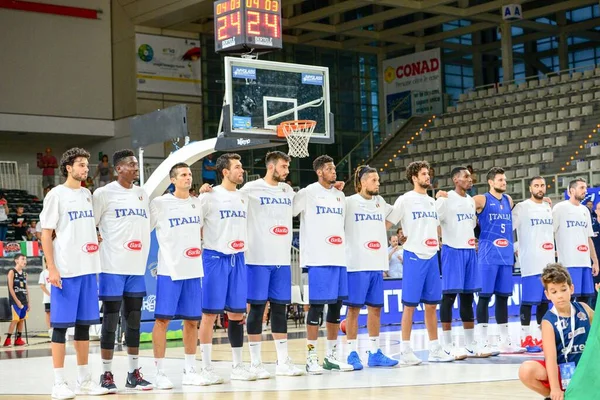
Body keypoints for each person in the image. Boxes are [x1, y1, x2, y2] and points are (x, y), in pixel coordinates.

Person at [39, 147, 108, 398]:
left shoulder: (88, 194)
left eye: (86, 165)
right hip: (65, 271)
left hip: (88, 269)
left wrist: (94, 238)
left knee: (83, 327)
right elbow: (46, 233)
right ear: (68, 167)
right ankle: (59, 382)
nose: (85, 169)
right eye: (80, 165)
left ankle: (84, 379)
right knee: (59, 327)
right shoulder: (56, 195)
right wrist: (52, 268)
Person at [240, 151, 304, 377]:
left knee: (279, 309)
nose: (287, 171)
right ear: (271, 167)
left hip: (282, 261)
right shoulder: (250, 189)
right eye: (284, 167)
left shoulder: (288, 190)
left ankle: (282, 361)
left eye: (287, 167)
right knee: (256, 310)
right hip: (257, 259)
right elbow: (229, 201)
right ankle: (255, 362)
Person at [93, 149, 153, 392]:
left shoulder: (142, 194)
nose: (136, 168)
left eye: (136, 164)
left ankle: (133, 373)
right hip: (112, 268)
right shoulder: (103, 194)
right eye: (131, 164)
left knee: (134, 322)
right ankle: (106, 375)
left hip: (136, 269)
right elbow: (91, 224)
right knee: (109, 322)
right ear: (118, 169)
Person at [387, 160, 454, 365]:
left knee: (432, 305)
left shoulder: (432, 202)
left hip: (432, 255)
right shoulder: (405, 200)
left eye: (428, 173)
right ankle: (405, 350)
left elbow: (435, 227)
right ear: (414, 178)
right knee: (409, 306)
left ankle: (435, 348)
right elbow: (388, 222)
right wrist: (393, 240)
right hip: (414, 255)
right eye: (423, 174)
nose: (427, 177)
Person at [198, 153, 256, 382]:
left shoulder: (244, 197)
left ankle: (238, 365)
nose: (242, 171)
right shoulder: (209, 197)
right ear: (225, 172)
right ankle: (205, 367)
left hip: (238, 258)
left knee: (236, 314)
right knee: (209, 314)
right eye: (238, 167)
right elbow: (196, 225)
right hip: (215, 258)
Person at [292, 155, 353, 374]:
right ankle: (311, 357)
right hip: (317, 260)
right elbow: (288, 211)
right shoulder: (307, 193)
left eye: (334, 167)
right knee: (316, 308)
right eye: (329, 168)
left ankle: (331, 356)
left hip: (338, 259)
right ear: (319, 172)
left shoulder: (340, 195)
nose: (333, 171)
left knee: (336, 308)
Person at [150, 162, 206, 388]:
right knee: (162, 320)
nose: (187, 178)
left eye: (190, 174)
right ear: (172, 180)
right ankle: (159, 372)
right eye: (183, 174)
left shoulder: (197, 204)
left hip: (193, 271)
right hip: (169, 271)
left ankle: (190, 369)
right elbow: (144, 228)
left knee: (192, 321)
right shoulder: (160, 204)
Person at [343, 165, 399, 370]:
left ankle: (375, 352)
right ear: (362, 182)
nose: (378, 183)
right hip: (356, 264)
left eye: (378, 180)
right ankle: (351, 353)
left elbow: (396, 214)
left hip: (377, 263)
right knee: (354, 309)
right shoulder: (348, 202)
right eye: (374, 180)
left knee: (375, 309)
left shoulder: (380, 202)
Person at [518, 263, 594, 399]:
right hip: (564, 371)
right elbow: (551, 359)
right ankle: (556, 396)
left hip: (587, 369)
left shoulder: (584, 309)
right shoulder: (548, 322)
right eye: (554, 292)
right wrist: (555, 389)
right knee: (526, 370)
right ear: (547, 294)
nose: (560, 296)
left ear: (571, 289)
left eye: (563, 289)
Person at [436, 166, 489, 359]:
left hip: (469, 252)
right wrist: (441, 238)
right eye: (465, 177)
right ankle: (447, 344)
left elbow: (471, 225)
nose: (470, 179)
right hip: (452, 251)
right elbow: (435, 220)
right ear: (456, 180)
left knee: (467, 298)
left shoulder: (469, 201)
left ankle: (469, 344)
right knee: (449, 297)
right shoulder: (445, 198)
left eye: (470, 176)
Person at [473, 167, 523, 353]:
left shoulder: (509, 200)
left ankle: (505, 341)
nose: (504, 182)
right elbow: (462, 211)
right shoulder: (481, 199)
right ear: (491, 182)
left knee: (503, 298)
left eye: (505, 180)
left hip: (506, 255)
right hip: (487, 255)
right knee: (485, 297)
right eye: (500, 180)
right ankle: (482, 341)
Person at [512, 177, 554, 353]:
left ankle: (541, 335)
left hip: (549, 262)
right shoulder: (522, 207)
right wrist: (515, 248)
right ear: (530, 188)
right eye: (536, 185)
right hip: (531, 263)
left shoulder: (547, 207)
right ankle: (525, 337)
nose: (540, 188)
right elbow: (509, 228)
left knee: (544, 302)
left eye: (542, 185)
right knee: (529, 302)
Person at [552, 178, 599, 305]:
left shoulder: (585, 210)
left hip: (585, 263)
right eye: (582, 188)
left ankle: (582, 324)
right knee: (569, 298)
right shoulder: (559, 208)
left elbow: (588, 237)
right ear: (572, 191)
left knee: (585, 299)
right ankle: (569, 324)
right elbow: (550, 232)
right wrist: (551, 252)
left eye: (586, 188)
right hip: (568, 263)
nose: (585, 190)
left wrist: (594, 261)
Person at [3, 254, 29, 347]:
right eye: (22, 259)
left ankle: (18, 339)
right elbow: (10, 288)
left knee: (21, 320)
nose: (25, 261)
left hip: (23, 300)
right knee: (15, 320)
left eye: (25, 259)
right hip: (15, 300)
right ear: (16, 261)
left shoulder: (25, 274)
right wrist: (17, 301)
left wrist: (28, 302)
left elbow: (26, 288)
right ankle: (8, 339)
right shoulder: (12, 272)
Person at [39, 262, 52, 338]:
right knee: (48, 313)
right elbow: (42, 285)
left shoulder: (58, 271)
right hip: (48, 298)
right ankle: (50, 330)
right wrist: (49, 294)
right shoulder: (43, 273)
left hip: (58, 298)